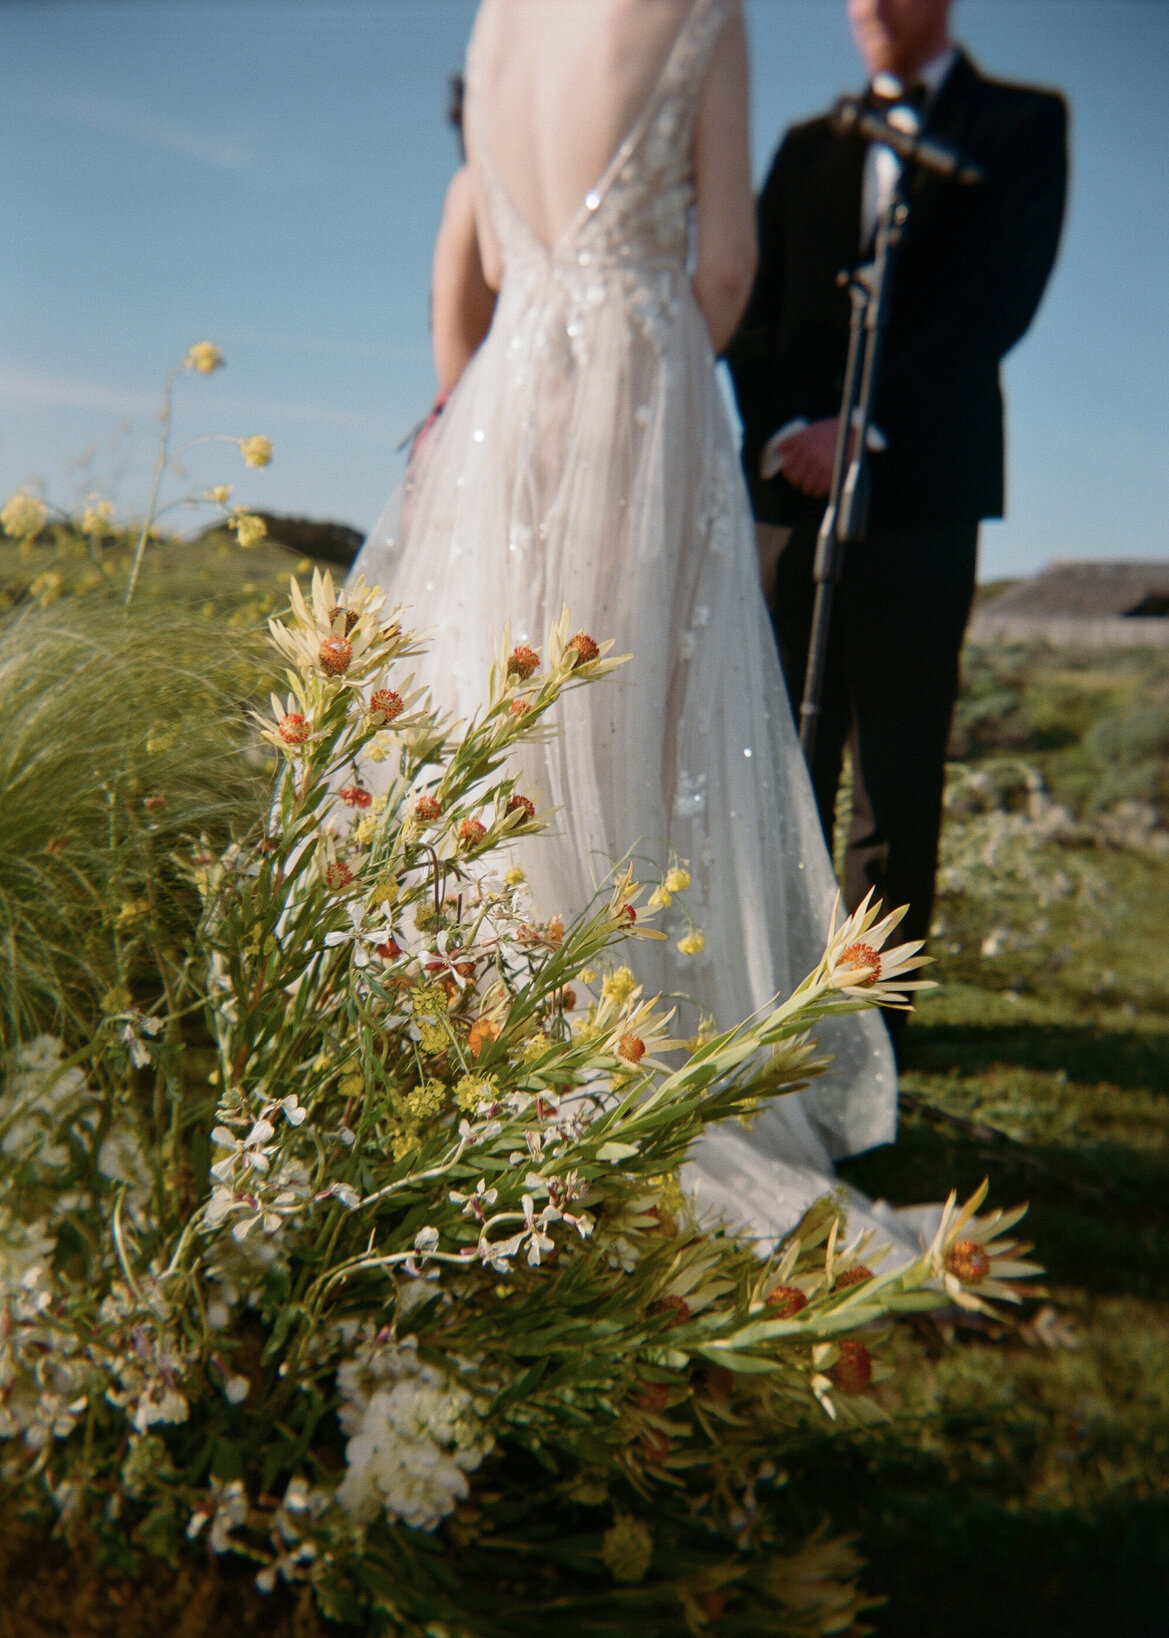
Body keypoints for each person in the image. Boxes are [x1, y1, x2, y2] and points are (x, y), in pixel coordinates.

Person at [353, 0, 907, 1247]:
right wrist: (652, 364)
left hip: (510, 390)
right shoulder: (699, 8)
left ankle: (484, 1041)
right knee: (631, 722)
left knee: (497, 712)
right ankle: (614, 1058)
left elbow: (495, 263)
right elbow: (725, 269)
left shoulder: (499, 23)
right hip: (635, 369)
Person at [726, 0, 1068, 1046]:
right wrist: (793, 427)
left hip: (925, 490)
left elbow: (997, 301)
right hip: (788, 492)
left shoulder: (1021, 123)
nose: (869, 6)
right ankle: (761, 1012)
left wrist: (865, 427)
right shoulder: (805, 146)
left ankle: (868, 1038)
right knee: (780, 752)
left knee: (898, 772)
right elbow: (750, 300)